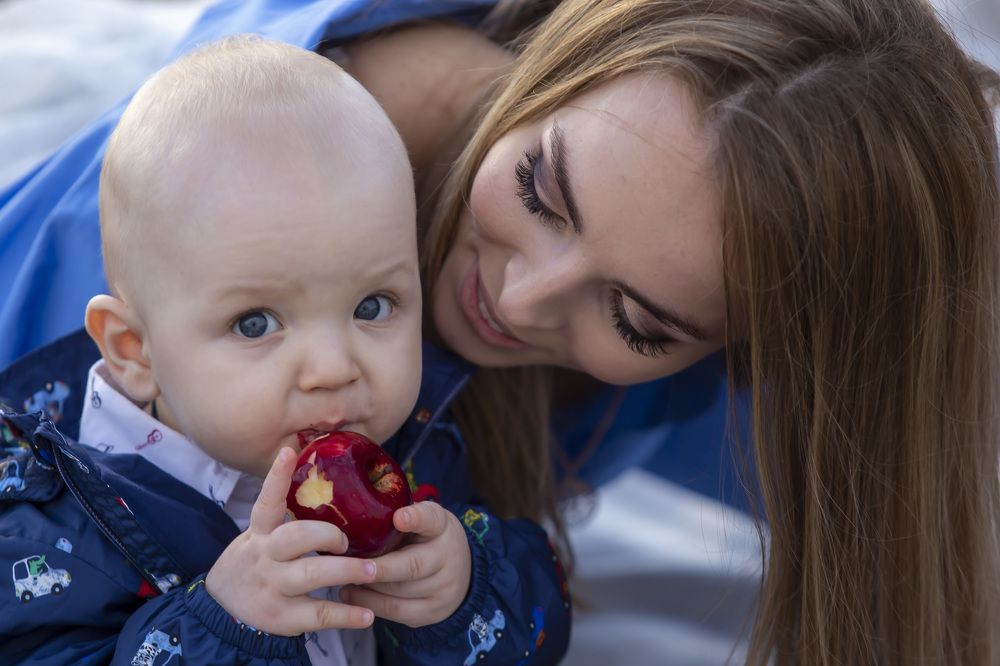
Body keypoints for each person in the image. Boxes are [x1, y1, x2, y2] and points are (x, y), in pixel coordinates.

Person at [0, 0, 997, 663]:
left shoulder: (741, 300)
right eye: (537, 190)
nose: (519, 302)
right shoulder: (147, 260)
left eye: (634, 320)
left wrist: (466, 586)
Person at [0, 35, 569, 665]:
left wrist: (466, 592)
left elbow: (539, 620)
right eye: (255, 323)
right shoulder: (56, 533)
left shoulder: (417, 454)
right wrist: (223, 631)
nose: (333, 369)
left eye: (372, 306)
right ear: (137, 352)